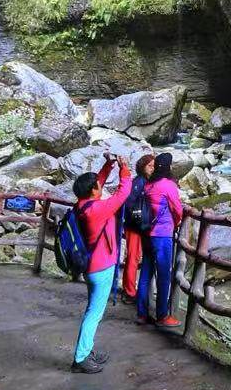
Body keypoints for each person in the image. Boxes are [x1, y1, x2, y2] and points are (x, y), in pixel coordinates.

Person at [70, 155, 132, 373]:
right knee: (93, 314)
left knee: (91, 311)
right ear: (94, 191)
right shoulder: (97, 210)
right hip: (101, 267)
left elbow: (98, 183)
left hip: (91, 267)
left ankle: (87, 350)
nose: (100, 184)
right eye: (97, 185)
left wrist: (108, 165)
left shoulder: (81, 205)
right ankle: (80, 358)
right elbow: (122, 194)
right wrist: (124, 169)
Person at [137, 151, 183, 329]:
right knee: (164, 275)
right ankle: (162, 315)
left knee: (146, 273)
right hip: (162, 235)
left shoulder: (149, 184)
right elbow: (178, 210)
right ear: (169, 167)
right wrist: (176, 223)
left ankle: (142, 313)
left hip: (147, 233)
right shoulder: (168, 185)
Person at [121, 153, 156, 302]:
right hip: (135, 226)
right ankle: (129, 292)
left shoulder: (147, 182)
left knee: (135, 258)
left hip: (142, 226)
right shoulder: (138, 182)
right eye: (150, 166)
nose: (152, 169)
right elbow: (128, 203)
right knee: (133, 258)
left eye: (154, 166)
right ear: (142, 167)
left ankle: (132, 289)